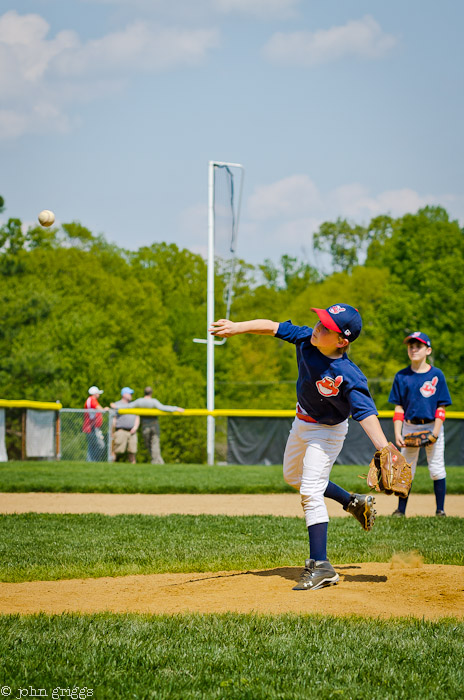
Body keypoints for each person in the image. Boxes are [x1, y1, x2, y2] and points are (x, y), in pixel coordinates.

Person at [210, 304, 392, 592]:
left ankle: (321, 566)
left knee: (310, 490)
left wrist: (384, 449)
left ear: (342, 341)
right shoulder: (307, 339)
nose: (318, 327)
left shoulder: (348, 373)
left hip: (328, 432)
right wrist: (236, 326)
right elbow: (272, 326)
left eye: (326, 327)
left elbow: (365, 412)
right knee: (293, 477)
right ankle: (352, 502)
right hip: (301, 422)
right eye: (320, 320)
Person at [389, 331, 452, 517]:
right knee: (406, 469)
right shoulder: (402, 376)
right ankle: (400, 510)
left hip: (432, 425)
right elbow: (399, 408)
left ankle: (440, 510)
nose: (413, 349)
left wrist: (435, 433)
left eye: (418, 346)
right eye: (411, 346)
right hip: (409, 427)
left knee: (437, 468)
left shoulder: (437, 375)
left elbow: (441, 407)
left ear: (428, 350)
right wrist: (398, 433)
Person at [127, 387, 184, 464]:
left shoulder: (139, 401)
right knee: (155, 443)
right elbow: (163, 407)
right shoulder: (153, 401)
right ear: (151, 393)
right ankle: (157, 461)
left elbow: (129, 406)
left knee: (149, 444)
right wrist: (176, 408)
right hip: (154, 425)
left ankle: (157, 461)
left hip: (145, 426)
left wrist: (116, 406)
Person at [111, 387, 140, 464]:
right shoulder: (117, 405)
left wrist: (135, 427)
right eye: (129, 393)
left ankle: (134, 469)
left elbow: (137, 416)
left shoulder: (133, 405)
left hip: (132, 431)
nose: (131, 395)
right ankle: (110, 465)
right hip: (121, 430)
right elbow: (114, 419)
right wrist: (112, 431)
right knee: (116, 450)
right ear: (124, 394)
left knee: (132, 451)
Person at [82, 386, 107, 462]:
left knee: (92, 446)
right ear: (95, 393)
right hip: (92, 428)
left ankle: (90, 461)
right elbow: (100, 409)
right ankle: (94, 460)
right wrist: (105, 409)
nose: (99, 395)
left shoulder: (89, 400)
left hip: (91, 427)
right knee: (100, 445)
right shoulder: (92, 400)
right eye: (98, 393)